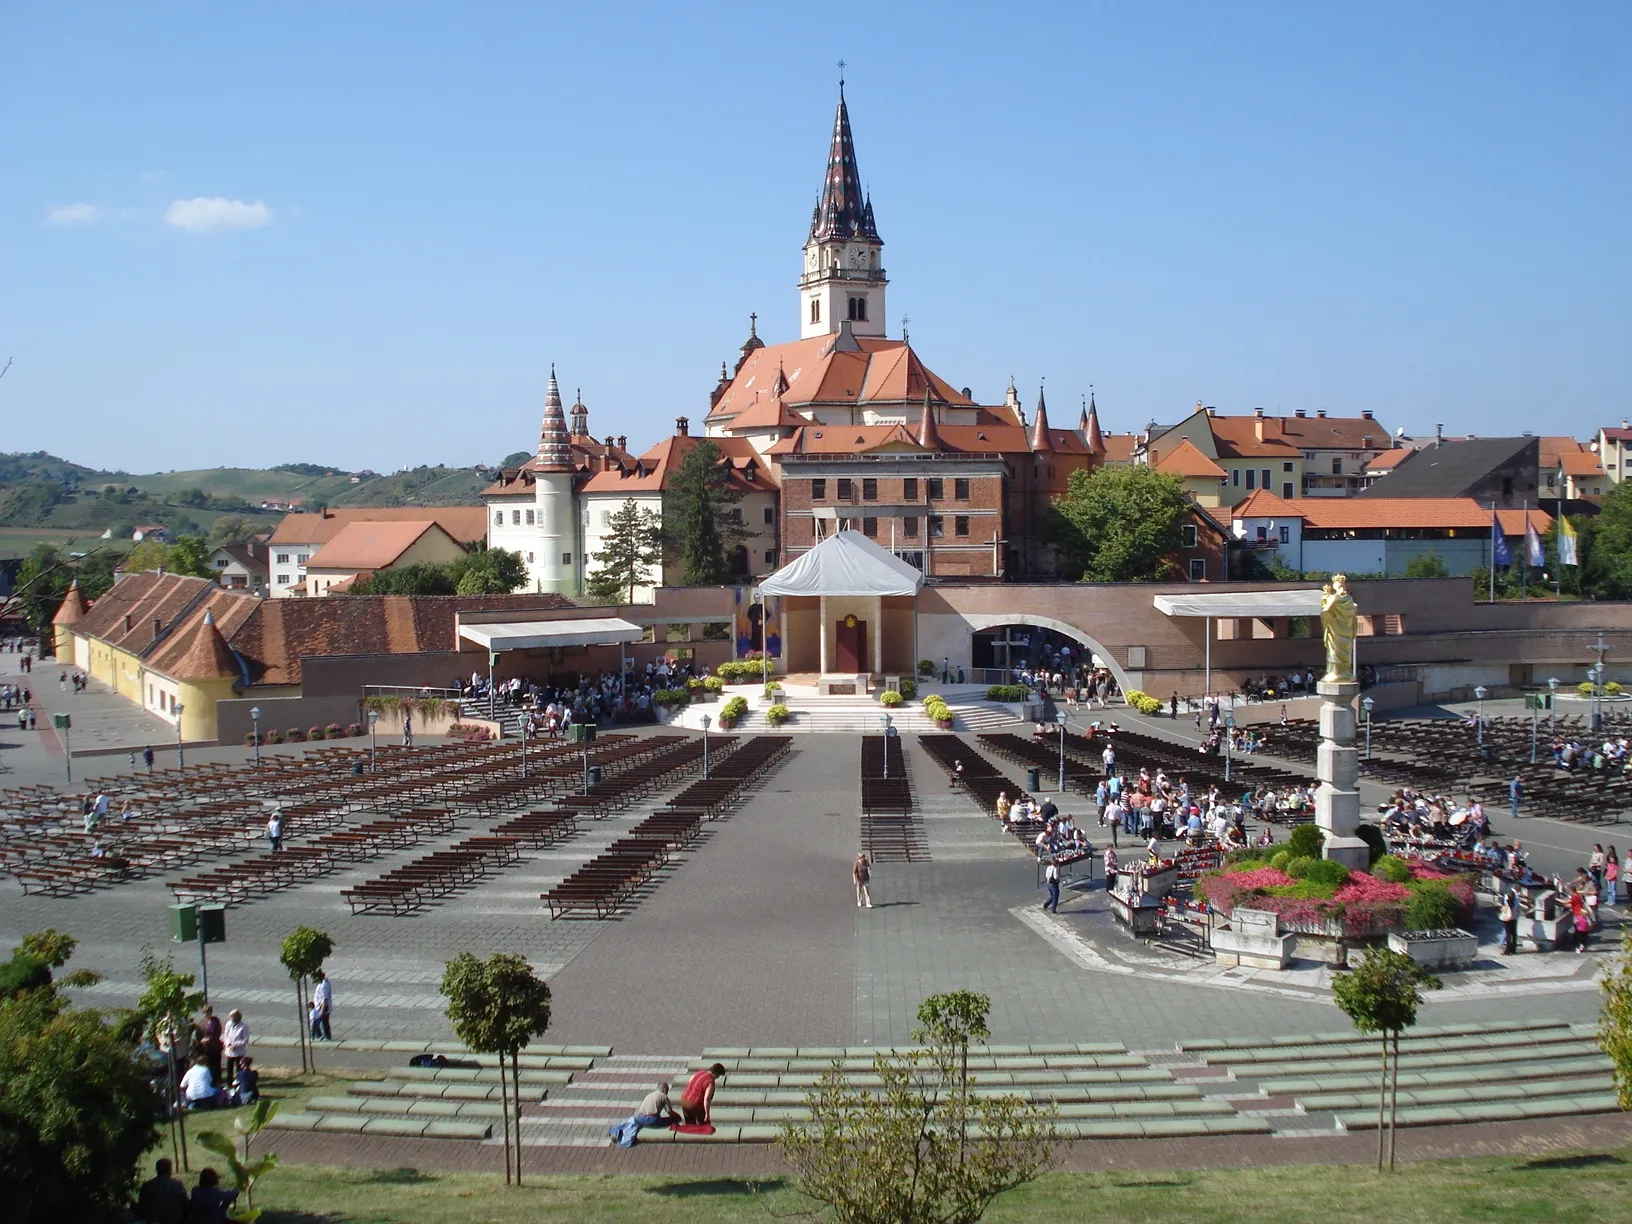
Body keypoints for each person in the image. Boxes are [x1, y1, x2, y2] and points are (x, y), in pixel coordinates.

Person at [609, 1081, 679, 1146]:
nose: (667, 1092)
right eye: (667, 1090)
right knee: (672, 1119)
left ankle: (615, 1131)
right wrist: (676, 1118)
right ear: (664, 1089)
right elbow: (669, 1111)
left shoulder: (649, 1095)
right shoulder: (663, 1096)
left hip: (639, 1118)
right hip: (651, 1120)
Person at [135, 1157, 190, 1224]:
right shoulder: (177, 1185)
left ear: (157, 1169)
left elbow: (141, 1210)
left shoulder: (147, 1186)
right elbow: (186, 1206)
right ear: (170, 1170)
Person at [223, 1008, 249, 1085]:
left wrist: (236, 1045)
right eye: (231, 1017)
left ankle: (238, 1084)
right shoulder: (228, 1024)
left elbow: (245, 1040)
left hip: (239, 1052)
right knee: (229, 1069)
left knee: (239, 1069)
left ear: (238, 1017)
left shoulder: (243, 1026)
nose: (232, 1019)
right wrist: (229, 1044)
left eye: (234, 1017)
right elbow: (226, 1036)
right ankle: (229, 1084)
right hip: (229, 1051)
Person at [312, 969, 333, 1040]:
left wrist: (322, 1011)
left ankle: (320, 1036)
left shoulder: (324, 985)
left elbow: (325, 999)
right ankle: (326, 1036)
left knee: (316, 1022)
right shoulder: (322, 983)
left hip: (323, 1007)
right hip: (320, 1007)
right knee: (324, 1023)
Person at [1499, 889, 1520, 956]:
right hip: (1514, 918)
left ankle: (1507, 950)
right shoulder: (1516, 901)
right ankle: (1513, 949)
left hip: (1507, 919)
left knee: (1508, 934)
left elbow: (1504, 909)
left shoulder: (1507, 902)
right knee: (1514, 934)